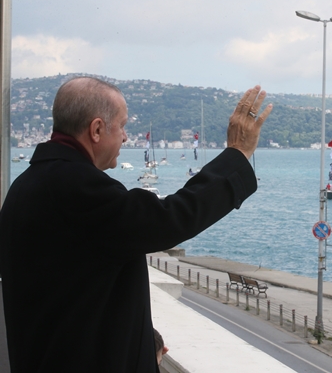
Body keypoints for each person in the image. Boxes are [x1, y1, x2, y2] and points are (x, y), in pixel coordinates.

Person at [0, 77, 272, 372]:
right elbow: (166, 220)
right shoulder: (74, 187)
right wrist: (237, 154)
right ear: (97, 130)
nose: (126, 137)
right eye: (122, 126)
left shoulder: (26, 186)